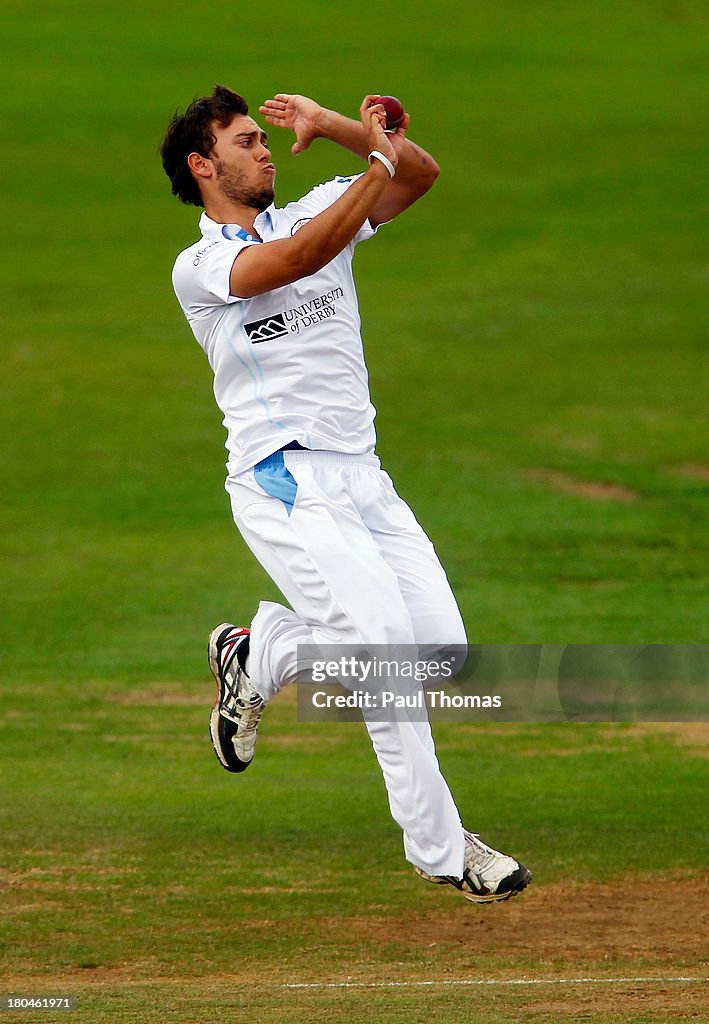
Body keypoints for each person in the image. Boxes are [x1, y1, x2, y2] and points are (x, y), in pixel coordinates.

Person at [160, 86, 532, 904]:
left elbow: (419, 176)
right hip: (285, 479)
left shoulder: (316, 207)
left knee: (433, 650)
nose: (262, 150)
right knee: (385, 659)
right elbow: (294, 261)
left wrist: (336, 129)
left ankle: (261, 655)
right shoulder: (201, 265)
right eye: (245, 141)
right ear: (203, 165)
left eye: (265, 138)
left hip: (363, 476)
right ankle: (442, 849)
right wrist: (370, 152)